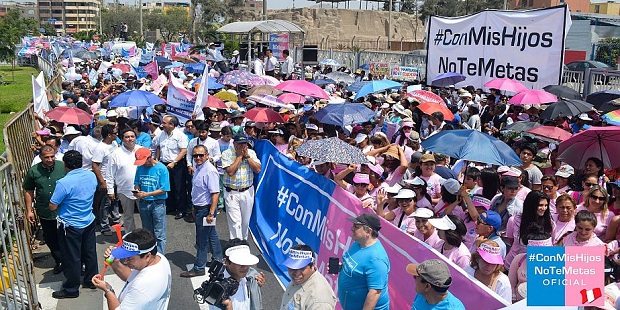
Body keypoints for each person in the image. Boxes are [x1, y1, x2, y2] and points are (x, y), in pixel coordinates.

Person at [49, 150, 98, 299]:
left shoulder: (64, 183)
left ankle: (71, 289)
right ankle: (91, 280)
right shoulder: (91, 176)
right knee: (89, 253)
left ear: (65, 165)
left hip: (70, 225)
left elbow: (52, 206)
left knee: (72, 257)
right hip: (88, 220)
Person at [92, 229, 171, 310]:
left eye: (130, 258)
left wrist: (108, 290)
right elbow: (130, 277)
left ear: (147, 256)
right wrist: (114, 262)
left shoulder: (143, 286)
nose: (125, 261)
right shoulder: (159, 258)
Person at [181, 145, 223, 277]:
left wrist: (211, 213)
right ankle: (218, 260)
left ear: (207, 155)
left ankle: (199, 267)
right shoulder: (198, 168)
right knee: (211, 235)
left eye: (201, 155)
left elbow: (215, 193)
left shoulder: (210, 170)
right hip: (199, 207)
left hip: (206, 209)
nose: (198, 158)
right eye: (195, 156)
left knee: (202, 239)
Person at [23, 145, 66, 274]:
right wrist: (29, 210)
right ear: (40, 157)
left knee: (67, 237)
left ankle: (74, 261)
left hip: (64, 210)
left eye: (52, 156)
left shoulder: (62, 166)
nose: (50, 159)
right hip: (45, 211)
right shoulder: (34, 171)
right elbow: (28, 190)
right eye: (46, 157)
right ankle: (60, 260)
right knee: (50, 238)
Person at [338, 213, 390, 310]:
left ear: (368, 231)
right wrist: (342, 267)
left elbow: (374, 293)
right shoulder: (357, 244)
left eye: (356, 226)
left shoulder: (376, 259)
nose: (352, 229)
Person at [221, 135, 262, 240]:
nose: (243, 146)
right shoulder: (227, 154)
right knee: (235, 222)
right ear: (234, 144)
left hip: (247, 191)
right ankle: (235, 243)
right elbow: (230, 172)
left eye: (244, 144)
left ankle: (243, 242)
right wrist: (239, 157)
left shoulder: (251, 153)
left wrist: (247, 157)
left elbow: (258, 169)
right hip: (232, 192)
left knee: (245, 221)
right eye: (240, 144)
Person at [105, 128, 143, 233]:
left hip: (142, 189)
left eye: (132, 136)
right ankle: (130, 237)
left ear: (136, 138)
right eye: (127, 137)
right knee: (128, 215)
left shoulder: (142, 150)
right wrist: (110, 190)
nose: (130, 139)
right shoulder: (115, 154)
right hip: (124, 190)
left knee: (145, 215)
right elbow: (109, 174)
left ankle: (146, 238)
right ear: (122, 139)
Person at [152, 115, 189, 220]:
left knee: (179, 187)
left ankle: (181, 209)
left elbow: (183, 151)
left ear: (172, 125)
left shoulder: (180, 135)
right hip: (163, 164)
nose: (162, 125)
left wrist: (174, 162)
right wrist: (157, 159)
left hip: (177, 164)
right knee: (167, 186)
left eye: (164, 123)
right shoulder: (161, 135)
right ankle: (171, 206)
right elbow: (157, 146)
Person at [133, 148, 170, 254]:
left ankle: (160, 256)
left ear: (149, 158)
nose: (142, 164)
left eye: (143, 161)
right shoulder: (140, 168)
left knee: (159, 233)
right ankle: (149, 254)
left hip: (157, 203)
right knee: (147, 233)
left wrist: (147, 194)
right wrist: (137, 190)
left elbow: (164, 189)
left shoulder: (161, 169)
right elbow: (137, 182)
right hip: (144, 202)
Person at [279, 244, 337, 310]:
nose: (296, 273)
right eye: (291, 268)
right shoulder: (302, 279)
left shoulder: (319, 301)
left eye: (301, 268)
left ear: (312, 265)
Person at [219, 239, 265, 310]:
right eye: (239, 262)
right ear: (226, 262)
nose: (245, 267)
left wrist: (257, 286)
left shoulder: (252, 275)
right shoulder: (218, 289)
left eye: (246, 261)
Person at [92, 124, 120, 236]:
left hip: (116, 177)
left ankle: (116, 219)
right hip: (106, 178)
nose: (117, 135)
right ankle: (104, 226)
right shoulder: (100, 148)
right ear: (109, 135)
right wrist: (102, 182)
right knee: (105, 203)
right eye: (115, 133)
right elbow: (95, 165)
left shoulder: (114, 144)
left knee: (115, 199)